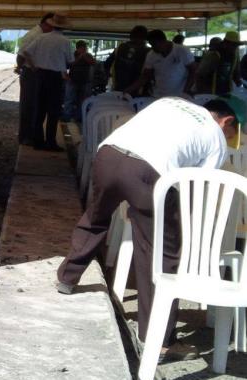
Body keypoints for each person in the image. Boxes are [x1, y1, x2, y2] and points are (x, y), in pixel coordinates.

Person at [56, 95, 245, 354]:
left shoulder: (170, 102)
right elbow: (198, 187)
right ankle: (160, 337)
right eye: (232, 131)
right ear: (227, 121)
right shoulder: (216, 137)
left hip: (109, 155)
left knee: (96, 218)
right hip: (148, 174)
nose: (229, 138)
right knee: (160, 253)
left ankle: (67, 278)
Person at [19, 13, 72, 150]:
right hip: (55, 78)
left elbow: (26, 52)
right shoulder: (66, 42)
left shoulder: (41, 37)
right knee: (53, 112)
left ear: (52, 25)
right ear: (63, 28)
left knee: (39, 110)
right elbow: (70, 61)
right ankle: (50, 142)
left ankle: (37, 141)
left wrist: (33, 66)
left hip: (40, 75)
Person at [15, 13, 55, 145]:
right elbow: (21, 54)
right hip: (31, 73)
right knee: (29, 105)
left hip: (32, 72)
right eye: (52, 26)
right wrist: (23, 68)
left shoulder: (39, 34)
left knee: (33, 105)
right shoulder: (34, 35)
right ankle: (26, 137)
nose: (53, 29)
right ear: (46, 23)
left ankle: (29, 135)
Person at [125, 30, 195, 98]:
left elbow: (193, 71)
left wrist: (186, 91)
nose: (153, 47)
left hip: (178, 96)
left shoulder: (182, 50)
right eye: (151, 45)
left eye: (154, 44)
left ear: (163, 41)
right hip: (158, 96)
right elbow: (145, 76)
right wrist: (129, 89)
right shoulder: (151, 55)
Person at [105, 25, 149, 94]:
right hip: (138, 92)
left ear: (130, 36)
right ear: (145, 38)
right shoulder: (148, 52)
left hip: (118, 89)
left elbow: (106, 65)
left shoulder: (120, 48)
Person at [63, 40, 96, 122]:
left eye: (85, 48)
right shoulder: (72, 55)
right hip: (72, 80)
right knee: (69, 99)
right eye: (83, 48)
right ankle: (67, 116)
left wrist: (85, 57)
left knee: (82, 100)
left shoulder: (88, 55)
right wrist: (79, 58)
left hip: (85, 81)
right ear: (78, 48)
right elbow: (68, 65)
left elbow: (93, 63)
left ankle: (80, 117)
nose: (84, 49)